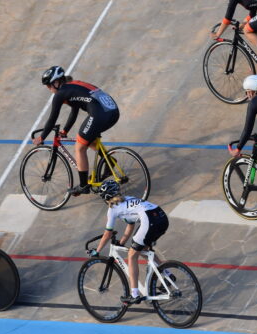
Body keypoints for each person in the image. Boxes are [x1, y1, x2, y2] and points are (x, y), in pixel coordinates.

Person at [33, 65, 120, 196]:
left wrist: (42, 137)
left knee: (79, 148)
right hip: (113, 112)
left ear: (57, 82)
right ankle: (109, 161)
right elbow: (74, 111)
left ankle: (83, 186)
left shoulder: (60, 94)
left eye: (49, 85)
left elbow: (52, 119)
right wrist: (65, 130)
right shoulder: (74, 86)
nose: (49, 88)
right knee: (88, 140)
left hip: (100, 114)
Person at [89, 179, 169, 305]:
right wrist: (121, 242)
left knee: (132, 255)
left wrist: (97, 251)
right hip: (161, 216)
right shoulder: (128, 199)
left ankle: (134, 294)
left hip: (150, 220)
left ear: (106, 197)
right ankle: (168, 275)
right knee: (143, 249)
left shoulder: (112, 208)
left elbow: (108, 233)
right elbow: (130, 225)